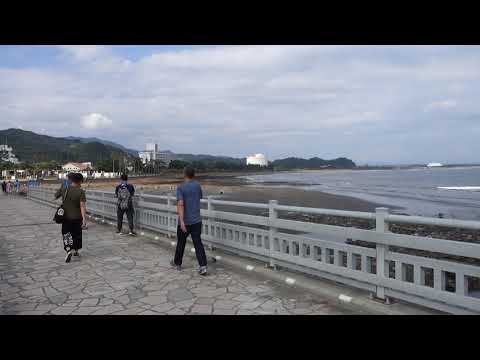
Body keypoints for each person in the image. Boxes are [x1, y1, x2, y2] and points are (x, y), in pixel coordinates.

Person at [171, 166, 207, 276]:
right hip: (197, 220)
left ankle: (178, 264)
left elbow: (180, 203)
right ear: (194, 175)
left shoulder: (181, 188)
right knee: (198, 243)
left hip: (185, 221)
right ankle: (203, 266)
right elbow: (199, 197)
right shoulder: (197, 186)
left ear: (184, 174)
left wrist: (181, 221)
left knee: (181, 243)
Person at [54, 172, 87, 263]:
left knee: (66, 234)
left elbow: (55, 196)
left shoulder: (65, 189)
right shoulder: (81, 192)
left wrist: (62, 187)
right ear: (80, 181)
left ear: (71, 180)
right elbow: (82, 207)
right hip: (77, 217)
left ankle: (68, 250)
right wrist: (84, 219)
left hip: (66, 217)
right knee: (76, 234)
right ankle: (75, 251)